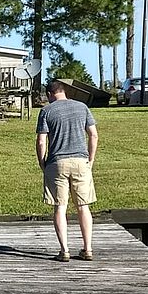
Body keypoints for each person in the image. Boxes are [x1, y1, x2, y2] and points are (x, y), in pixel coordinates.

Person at [35, 79, 99, 262]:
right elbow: (93, 134)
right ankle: (87, 249)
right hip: (81, 161)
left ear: (49, 94)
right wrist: (91, 159)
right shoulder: (82, 107)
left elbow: (41, 141)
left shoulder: (46, 111)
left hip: (57, 163)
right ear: (64, 91)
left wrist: (42, 163)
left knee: (60, 206)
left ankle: (64, 250)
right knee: (83, 206)